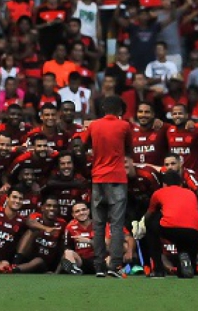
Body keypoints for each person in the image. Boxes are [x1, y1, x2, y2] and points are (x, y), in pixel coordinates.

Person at [82, 95, 131, 277]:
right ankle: (115, 266)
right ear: (119, 110)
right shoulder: (124, 125)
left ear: (104, 108)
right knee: (117, 224)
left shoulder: (94, 125)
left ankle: (99, 266)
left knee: (98, 224)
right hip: (117, 178)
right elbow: (129, 148)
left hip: (98, 178)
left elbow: (82, 143)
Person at [139, 170, 198, 279]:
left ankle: (158, 269)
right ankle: (186, 263)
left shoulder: (159, 192)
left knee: (150, 224)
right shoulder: (191, 193)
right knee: (184, 270)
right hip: (195, 234)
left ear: (164, 184)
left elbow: (149, 214)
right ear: (180, 184)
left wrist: (140, 225)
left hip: (171, 229)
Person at [61, 201, 95, 275]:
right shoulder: (70, 227)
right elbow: (66, 248)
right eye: (77, 211)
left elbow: (107, 246)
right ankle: (75, 270)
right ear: (73, 215)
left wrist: (89, 241)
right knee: (68, 252)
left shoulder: (99, 225)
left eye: (83, 210)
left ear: (88, 211)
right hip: (81, 261)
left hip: (99, 260)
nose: (81, 213)